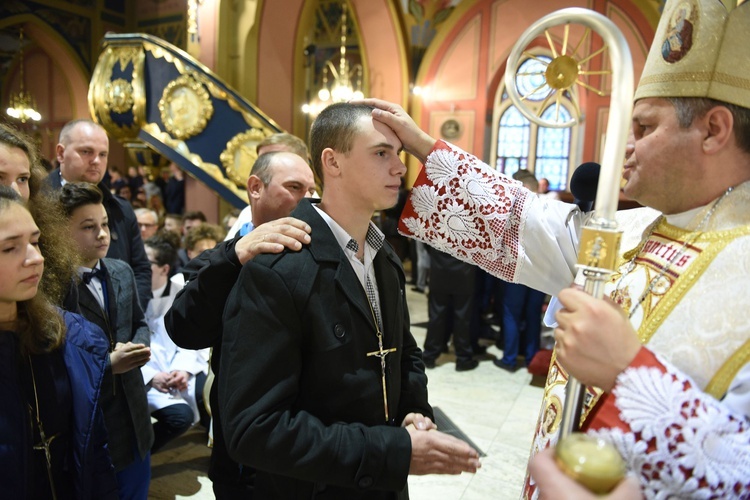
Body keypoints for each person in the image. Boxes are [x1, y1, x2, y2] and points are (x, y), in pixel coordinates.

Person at [358, 0, 750, 494]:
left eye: (645, 128)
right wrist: (422, 146)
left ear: (714, 130)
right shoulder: (635, 230)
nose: (625, 146)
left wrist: (632, 376)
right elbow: (526, 222)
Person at [217, 103, 480, 499]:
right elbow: (254, 429)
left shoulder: (384, 255)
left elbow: (404, 353)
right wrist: (393, 452)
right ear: (332, 162)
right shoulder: (277, 271)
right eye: (381, 153)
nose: (400, 168)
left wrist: (414, 411)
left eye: (399, 154)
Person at [165, 150, 317, 498]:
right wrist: (233, 258)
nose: (307, 198)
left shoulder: (323, 256)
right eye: (295, 187)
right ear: (255, 188)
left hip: (308, 445)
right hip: (244, 454)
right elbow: (184, 328)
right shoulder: (221, 259)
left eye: (312, 189)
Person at [0, 186, 119, 499]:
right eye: (10, 248)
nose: (35, 258)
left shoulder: (67, 337)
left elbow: (93, 456)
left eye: (35, 242)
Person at [59, 182, 154, 500]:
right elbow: (56, 354)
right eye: (88, 227)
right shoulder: (55, 288)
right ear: (61, 232)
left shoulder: (121, 270)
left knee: (137, 488)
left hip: (135, 413)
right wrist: (105, 364)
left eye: (104, 225)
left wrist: (138, 346)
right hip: (93, 418)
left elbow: (139, 322)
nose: (102, 234)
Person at [44, 119, 152, 309]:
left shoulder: (121, 208)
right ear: (61, 153)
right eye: (86, 152)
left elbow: (141, 269)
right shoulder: (38, 203)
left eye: (103, 154)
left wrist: (130, 315)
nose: (96, 161)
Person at [142, 234, 209, 452]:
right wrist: (152, 377)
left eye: (145, 262)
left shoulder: (180, 292)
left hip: (177, 369)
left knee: (206, 394)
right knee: (180, 417)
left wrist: (183, 370)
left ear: (164, 269)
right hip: (143, 374)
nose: (139, 266)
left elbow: (190, 337)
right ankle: (138, 453)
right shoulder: (130, 293)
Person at [225, 132, 313, 240]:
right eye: (261, 159)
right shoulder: (247, 215)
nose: (265, 165)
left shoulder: (326, 216)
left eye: (277, 156)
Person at [422, 246, 477, 371]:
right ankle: (463, 358)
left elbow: (426, 240)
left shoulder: (436, 224)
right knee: (462, 318)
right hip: (464, 271)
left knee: (436, 315)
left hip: (439, 268)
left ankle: (430, 355)